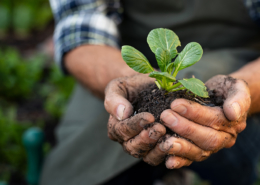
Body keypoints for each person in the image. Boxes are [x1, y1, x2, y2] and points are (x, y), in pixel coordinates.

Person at [40, 0, 260, 185]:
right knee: (82, 164)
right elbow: (79, 30)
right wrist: (127, 84)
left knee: (219, 125)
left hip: (243, 63)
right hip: (119, 66)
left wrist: (245, 91)